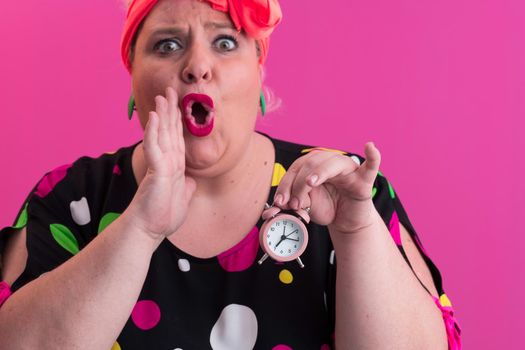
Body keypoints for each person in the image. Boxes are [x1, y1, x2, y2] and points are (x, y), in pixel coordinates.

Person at [0, 0, 461, 349]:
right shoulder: (70, 197)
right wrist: (139, 229)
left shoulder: (345, 192)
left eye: (225, 42)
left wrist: (357, 230)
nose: (198, 66)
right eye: (167, 44)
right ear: (133, 78)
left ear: (259, 75)